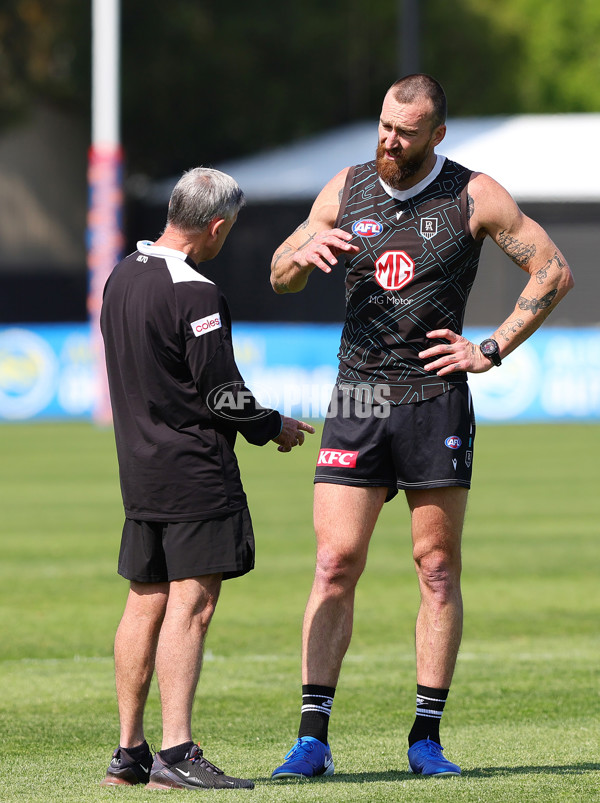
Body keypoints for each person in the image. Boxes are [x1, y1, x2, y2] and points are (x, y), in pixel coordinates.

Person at [269, 74, 574, 780]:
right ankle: (312, 737)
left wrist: (491, 347)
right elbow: (283, 268)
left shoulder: (474, 193)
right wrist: (298, 257)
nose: (388, 139)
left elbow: (553, 270)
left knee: (436, 568)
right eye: (383, 124)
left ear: (436, 134)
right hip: (360, 399)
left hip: (436, 399)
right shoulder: (345, 188)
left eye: (404, 131)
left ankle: (425, 737)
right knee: (334, 561)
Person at [99, 167, 314, 791]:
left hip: (138, 471)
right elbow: (222, 396)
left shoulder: (120, 276)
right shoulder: (194, 292)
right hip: (194, 471)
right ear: (216, 226)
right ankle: (176, 752)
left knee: (144, 601)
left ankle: (129, 752)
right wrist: (273, 424)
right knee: (191, 607)